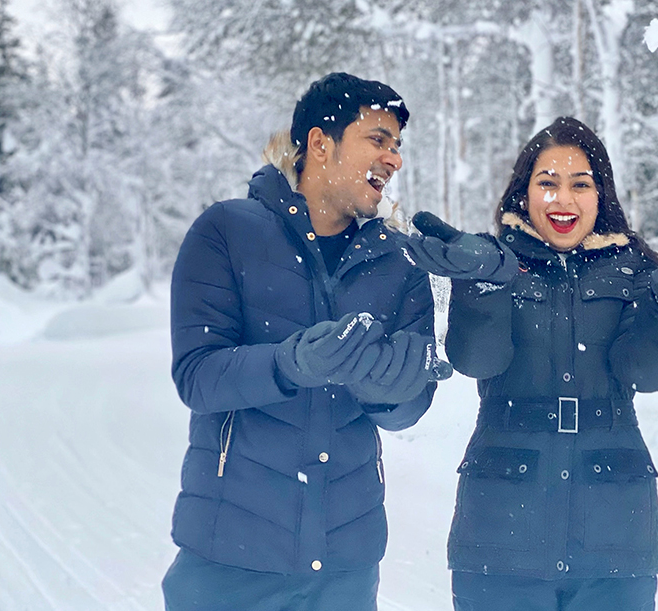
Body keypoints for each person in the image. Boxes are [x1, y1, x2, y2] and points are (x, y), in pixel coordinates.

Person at [402, 116, 658, 611]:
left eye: (580, 184)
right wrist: (484, 282)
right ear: (524, 193)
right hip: (500, 537)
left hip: (614, 538)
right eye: (547, 182)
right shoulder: (494, 261)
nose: (563, 199)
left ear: (601, 196)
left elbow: (646, 372)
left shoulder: (634, 270)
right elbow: (477, 359)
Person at [162, 72, 449, 611]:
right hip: (229, 562)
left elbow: (408, 409)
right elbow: (197, 377)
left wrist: (392, 392)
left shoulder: (399, 262)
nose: (393, 159)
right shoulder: (226, 231)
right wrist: (288, 365)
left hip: (344, 570)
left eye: (397, 146)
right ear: (320, 143)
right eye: (378, 140)